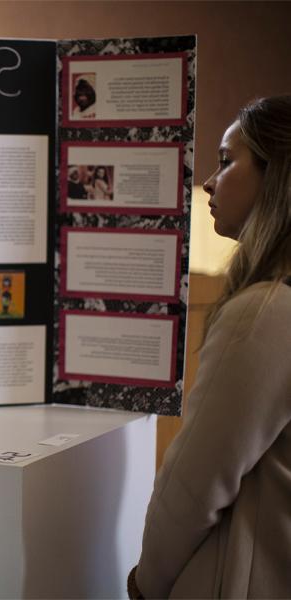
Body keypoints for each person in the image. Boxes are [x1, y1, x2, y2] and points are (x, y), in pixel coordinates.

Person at [129, 96, 291, 598]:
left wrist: (146, 584)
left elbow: (193, 487)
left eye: (225, 161)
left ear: (277, 173)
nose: (208, 181)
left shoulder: (264, 314)